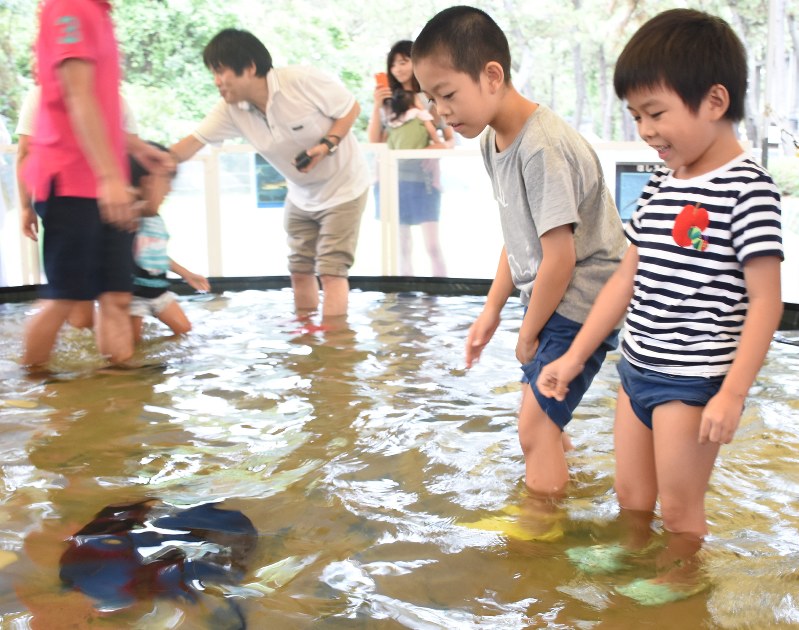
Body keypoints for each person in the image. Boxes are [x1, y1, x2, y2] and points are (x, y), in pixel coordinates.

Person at [536, 9, 783, 604]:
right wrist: (574, 356)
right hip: (637, 368)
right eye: (636, 116)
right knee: (632, 494)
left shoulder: (748, 190)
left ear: (714, 100)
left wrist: (732, 392)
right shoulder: (662, 183)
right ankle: (629, 549)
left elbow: (766, 303)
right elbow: (627, 277)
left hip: (693, 380)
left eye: (656, 112)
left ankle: (678, 582)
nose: (646, 129)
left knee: (680, 510)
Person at [412, 7, 627, 505]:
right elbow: (518, 238)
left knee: (531, 426)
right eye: (432, 98)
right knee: (541, 418)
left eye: (447, 94)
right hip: (557, 298)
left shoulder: (541, 147)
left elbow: (560, 258)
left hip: (584, 298)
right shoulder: (494, 140)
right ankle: (566, 489)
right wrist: (491, 309)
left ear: (492, 75)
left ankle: (541, 537)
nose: (442, 110)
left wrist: (528, 331)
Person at [170, 28, 370, 320]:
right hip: (301, 195)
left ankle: (333, 350)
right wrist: (137, 166)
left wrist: (327, 145)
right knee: (299, 268)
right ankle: (305, 338)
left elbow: (350, 107)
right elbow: (190, 144)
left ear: (249, 67)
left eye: (220, 71)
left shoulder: (301, 81)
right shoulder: (230, 109)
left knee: (331, 270)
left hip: (344, 188)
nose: (216, 82)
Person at [21, 0, 172, 369]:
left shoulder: (100, 12)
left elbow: (99, 108)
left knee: (117, 295)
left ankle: (117, 384)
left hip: (105, 183)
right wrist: (109, 176)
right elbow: (76, 96)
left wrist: (136, 148)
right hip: (70, 180)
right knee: (64, 298)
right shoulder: (69, 5)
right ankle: (34, 385)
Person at [16, 84, 140, 330]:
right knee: (101, 295)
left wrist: (26, 206)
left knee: (72, 293)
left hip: (61, 198)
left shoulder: (39, 95)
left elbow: (25, 153)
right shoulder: (118, 101)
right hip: (99, 200)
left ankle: (83, 344)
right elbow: (132, 156)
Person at [367, 39, 453, 277]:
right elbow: (375, 143)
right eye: (393, 64)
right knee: (402, 246)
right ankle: (406, 300)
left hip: (424, 180)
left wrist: (438, 149)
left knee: (432, 246)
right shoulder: (388, 102)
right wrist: (377, 106)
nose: (398, 68)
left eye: (404, 61)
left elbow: (449, 137)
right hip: (392, 180)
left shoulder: (430, 97)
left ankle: (439, 298)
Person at [128, 145, 210, 343]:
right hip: (134, 296)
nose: (170, 189)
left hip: (160, 292)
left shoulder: (156, 219)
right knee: (132, 345)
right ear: (145, 183)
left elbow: (158, 254)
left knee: (184, 331)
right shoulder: (131, 217)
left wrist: (186, 274)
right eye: (165, 181)